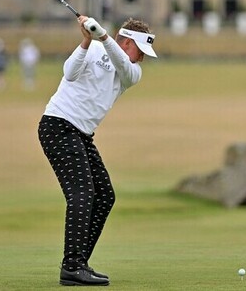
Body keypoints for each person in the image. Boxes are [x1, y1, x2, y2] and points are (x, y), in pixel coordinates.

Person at [38, 15, 157, 287]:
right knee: (82, 194)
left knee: (104, 196)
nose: (143, 58)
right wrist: (86, 41)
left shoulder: (132, 71)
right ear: (127, 43)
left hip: (80, 133)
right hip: (58, 125)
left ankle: (77, 263)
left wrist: (103, 36)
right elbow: (69, 73)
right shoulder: (92, 48)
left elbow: (123, 64)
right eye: (141, 50)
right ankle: (72, 267)